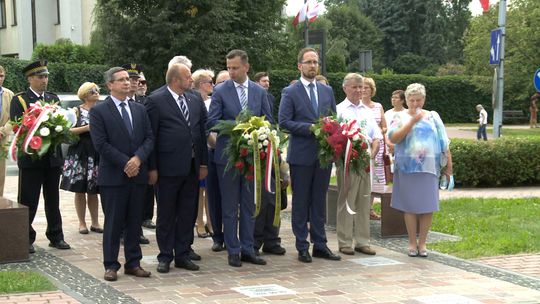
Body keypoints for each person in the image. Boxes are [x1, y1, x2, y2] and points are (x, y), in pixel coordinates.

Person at [207, 49, 272, 267]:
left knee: (249, 204)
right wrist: (239, 129)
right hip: (228, 156)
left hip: (252, 157)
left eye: (235, 68)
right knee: (229, 205)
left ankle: (248, 248)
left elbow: (269, 120)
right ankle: (232, 249)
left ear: (246, 67)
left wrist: (260, 132)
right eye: (228, 68)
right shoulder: (220, 91)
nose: (231, 72)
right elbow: (212, 121)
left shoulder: (259, 92)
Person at [89, 67, 154, 281]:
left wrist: (137, 159)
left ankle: (133, 263)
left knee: (135, 221)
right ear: (110, 85)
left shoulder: (139, 109)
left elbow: (149, 139)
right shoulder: (99, 110)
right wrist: (126, 162)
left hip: (137, 174)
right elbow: (100, 144)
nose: (128, 83)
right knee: (114, 223)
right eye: (122, 80)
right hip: (114, 176)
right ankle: (111, 265)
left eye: (129, 79)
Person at [278, 47, 341, 263]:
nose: (313, 66)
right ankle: (302, 245)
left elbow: (333, 118)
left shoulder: (327, 91)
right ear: (300, 66)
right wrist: (311, 128)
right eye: (309, 62)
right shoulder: (290, 91)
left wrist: (332, 132)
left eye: (315, 62)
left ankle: (320, 244)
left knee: (319, 201)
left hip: (322, 156)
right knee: (301, 201)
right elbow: (284, 122)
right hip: (301, 156)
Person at [146, 63, 208, 273]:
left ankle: (183, 253)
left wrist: (203, 163)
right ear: (175, 80)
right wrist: (152, 168)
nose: (191, 80)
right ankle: (165, 255)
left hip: (191, 166)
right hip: (167, 168)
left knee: (187, 211)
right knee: (166, 212)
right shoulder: (156, 100)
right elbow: (151, 137)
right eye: (188, 77)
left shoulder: (194, 98)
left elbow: (201, 132)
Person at [10, 60, 71, 254]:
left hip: (52, 159)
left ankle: (56, 235)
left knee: (52, 199)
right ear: (30, 78)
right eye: (40, 77)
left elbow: (62, 123)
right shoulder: (20, 100)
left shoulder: (53, 98)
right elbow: (17, 126)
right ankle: (26, 237)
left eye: (46, 76)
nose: (44, 80)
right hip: (31, 158)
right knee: (28, 199)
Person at [387, 83, 453, 258]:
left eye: (419, 100)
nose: (415, 103)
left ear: (424, 99)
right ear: (406, 100)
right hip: (407, 166)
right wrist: (411, 122)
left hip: (429, 167)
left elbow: (444, 142)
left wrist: (449, 167)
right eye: (412, 100)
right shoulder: (398, 116)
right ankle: (411, 242)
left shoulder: (433, 116)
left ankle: (422, 243)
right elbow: (393, 138)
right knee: (410, 206)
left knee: (427, 206)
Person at [336, 73, 382, 256]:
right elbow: (333, 137)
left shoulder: (367, 111)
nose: (359, 90)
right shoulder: (339, 109)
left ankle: (363, 241)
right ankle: (345, 241)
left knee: (364, 201)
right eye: (355, 87)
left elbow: (377, 136)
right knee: (346, 201)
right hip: (346, 162)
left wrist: (374, 150)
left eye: (361, 87)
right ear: (345, 88)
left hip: (364, 161)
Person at [60, 82, 102, 235]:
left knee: (93, 190)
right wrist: (87, 128)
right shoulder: (75, 111)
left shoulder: (102, 109)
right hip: (80, 152)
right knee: (80, 189)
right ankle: (82, 222)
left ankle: (96, 222)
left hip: (96, 152)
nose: (96, 92)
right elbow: (67, 131)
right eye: (92, 91)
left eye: (97, 90)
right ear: (84, 94)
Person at [253, 71, 287, 256]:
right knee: (259, 200)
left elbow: (271, 120)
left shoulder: (268, 97)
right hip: (253, 148)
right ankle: (255, 240)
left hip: (270, 146)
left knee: (273, 197)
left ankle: (272, 239)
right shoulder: (252, 96)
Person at [121, 63, 151, 244]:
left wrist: (140, 157)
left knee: (139, 199)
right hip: (122, 161)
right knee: (122, 199)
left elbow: (148, 134)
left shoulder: (142, 103)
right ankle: (123, 230)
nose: (134, 83)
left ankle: (136, 229)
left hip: (140, 158)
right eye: (130, 79)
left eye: (136, 79)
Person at [206, 70, 229, 252]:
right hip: (213, 154)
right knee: (215, 196)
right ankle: (217, 236)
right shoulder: (206, 103)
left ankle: (232, 235)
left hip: (234, 154)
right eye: (220, 82)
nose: (223, 86)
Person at [192, 69, 215, 238]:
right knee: (200, 190)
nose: (212, 85)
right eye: (209, 82)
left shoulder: (213, 101)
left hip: (213, 148)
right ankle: (199, 221)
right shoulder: (194, 100)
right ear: (201, 84)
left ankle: (211, 221)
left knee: (210, 189)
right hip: (202, 149)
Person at [361, 77, 386, 220]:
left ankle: (369, 209)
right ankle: (360, 209)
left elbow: (384, 125)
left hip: (378, 147)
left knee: (375, 180)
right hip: (362, 145)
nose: (364, 90)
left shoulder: (378, 106)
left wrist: (380, 133)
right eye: (362, 87)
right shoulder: (357, 106)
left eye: (367, 88)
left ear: (372, 90)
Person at [0, 65, 14, 196]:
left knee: (1, 172)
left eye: (1, 76)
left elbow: (14, 117)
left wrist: (3, 131)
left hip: (2, 138)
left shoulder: (9, 94)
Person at [384, 90, 406, 155]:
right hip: (388, 148)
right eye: (392, 97)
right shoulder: (387, 113)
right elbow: (384, 130)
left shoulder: (407, 114)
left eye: (396, 97)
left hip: (402, 148)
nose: (393, 99)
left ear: (402, 100)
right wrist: (388, 143)